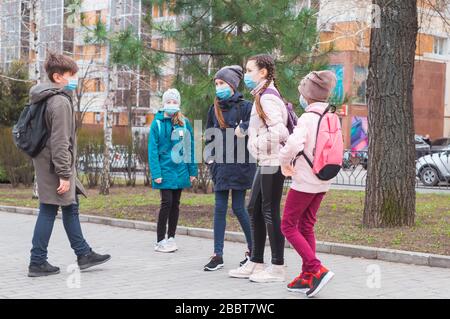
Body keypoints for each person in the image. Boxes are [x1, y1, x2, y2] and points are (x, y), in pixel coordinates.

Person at [28, 52, 110, 277]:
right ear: (57, 77)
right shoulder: (59, 102)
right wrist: (64, 174)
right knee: (48, 210)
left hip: (48, 163)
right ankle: (37, 261)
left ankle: (83, 253)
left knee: (70, 208)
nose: (75, 78)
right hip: (56, 166)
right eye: (71, 75)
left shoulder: (45, 98)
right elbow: (60, 142)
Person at [229, 54, 289, 283]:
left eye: (249, 70)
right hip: (266, 161)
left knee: (269, 212)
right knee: (253, 208)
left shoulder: (267, 98)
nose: (246, 75)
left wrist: (254, 144)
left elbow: (280, 132)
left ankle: (277, 267)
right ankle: (256, 261)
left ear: (263, 72)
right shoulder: (262, 95)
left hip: (272, 162)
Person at [279, 71, 338, 298]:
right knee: (306, 225)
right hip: (323, 180)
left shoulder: (306, 118)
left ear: (308, 95)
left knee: (288, 225)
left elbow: (294, 145)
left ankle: (316, 269)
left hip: (304, 181)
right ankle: (307, 276)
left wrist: (283, 161)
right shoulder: (330, 116)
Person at [203, 66, 256, 271]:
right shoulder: (213, 108)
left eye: (222, 83)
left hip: (241, 166)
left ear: (232, 85)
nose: (218, 87)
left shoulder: (246, 107)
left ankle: (253, 251)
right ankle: (217, 255)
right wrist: (209, 157)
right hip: (221, 167)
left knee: (239, 208)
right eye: (216, 84)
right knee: (219, 209)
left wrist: (245, 127)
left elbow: (257, 124)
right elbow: (209, 134)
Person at [148, 88, 198, 253]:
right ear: (163, 104)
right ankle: (160, 240)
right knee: (166, 203)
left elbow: (190, 148)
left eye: (174, 102)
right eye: (168, 102)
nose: (171, 104)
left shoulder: (184, 122)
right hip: (164, 170)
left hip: (181, 170)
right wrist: (156, 174)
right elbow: (152, 150)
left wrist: (193, 171)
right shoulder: (157, 123)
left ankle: (171, 237)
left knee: (176, 204)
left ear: (179, 104)